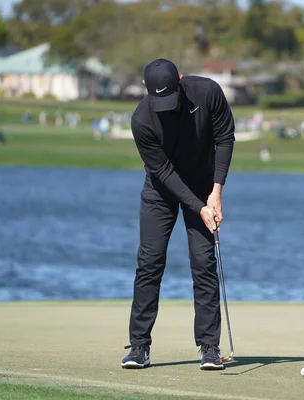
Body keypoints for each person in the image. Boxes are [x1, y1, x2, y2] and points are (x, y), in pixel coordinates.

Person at [121, 58, 235, 371]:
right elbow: (164, 171)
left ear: (181, 80)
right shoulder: (142, 120)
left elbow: (225, 137)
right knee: (150, 261)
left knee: (203, 261)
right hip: (161, 190)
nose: (167, 107)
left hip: (202, 185)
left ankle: (210, 347)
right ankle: (139, 346)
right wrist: (198, 207)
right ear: (145, 88)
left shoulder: (207, 92)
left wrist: (216, 192)